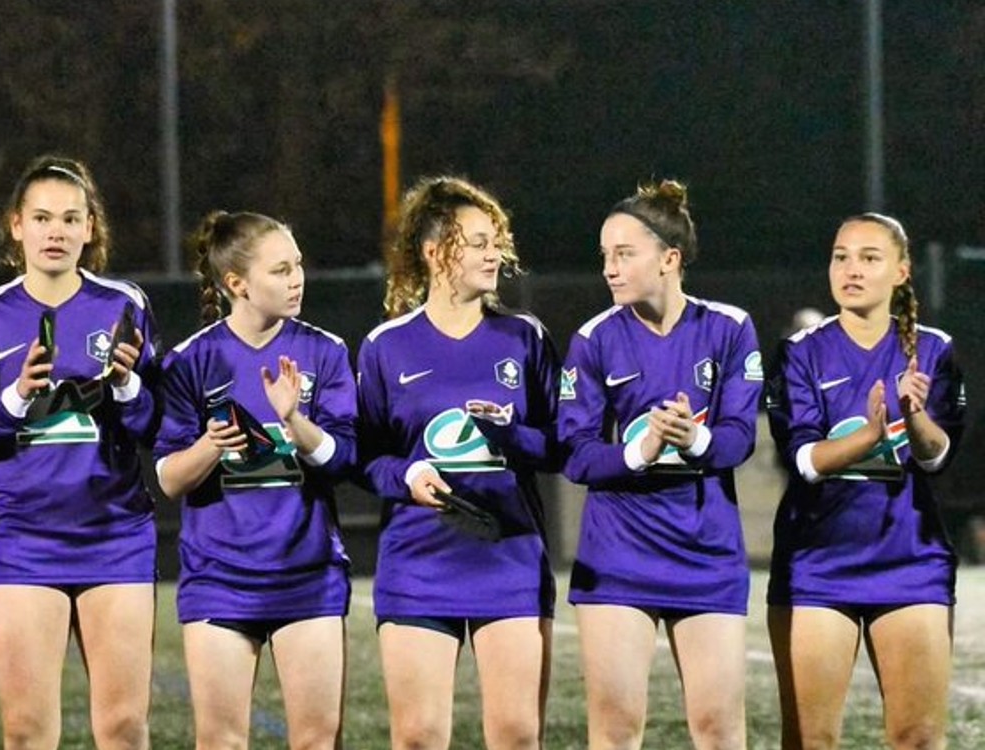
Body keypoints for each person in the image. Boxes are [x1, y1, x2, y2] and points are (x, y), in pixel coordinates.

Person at [0, 156, 158, 750]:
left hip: (115, 530)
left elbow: (155, 425)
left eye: (69, 218)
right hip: (23, 536)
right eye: (41, 217)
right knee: (28, 731)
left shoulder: (125, 305)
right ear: (16, 226)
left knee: (124, 727)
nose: (55, 231)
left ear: (90, 228)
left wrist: (126, 386)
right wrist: (13, 399)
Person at [558, 180, 762, 750]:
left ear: (669, 259)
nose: (609, 269)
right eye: (604, 256)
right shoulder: (594, 339)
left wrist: (694, 439)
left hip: (706, 551)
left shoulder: (728, 328)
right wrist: (637, 451)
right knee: (617, 729)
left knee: (719, 729)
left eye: (624, 254)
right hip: (618, 555)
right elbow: (575, 453)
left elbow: (739, 438)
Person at [357, 176, 559, 750]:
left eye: (496, 239)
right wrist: (407, 477)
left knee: (518, 735)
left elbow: (560, 448)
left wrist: (509, 432)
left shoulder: (525, 338)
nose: (494, 251)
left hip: (510, 555)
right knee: (419, 737)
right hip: (419, 561)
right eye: (476, 241)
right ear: (433, 250)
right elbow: (366, 456)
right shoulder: (385, 346)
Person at [154, 211, 357, 750]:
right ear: (236, 285)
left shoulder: (326, 352)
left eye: (298, 266)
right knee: (220, 740)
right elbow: (169, 479)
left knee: (317, 740)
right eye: (281, 270)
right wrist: (211, 445)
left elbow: (345, 462)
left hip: (307, 574)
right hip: (219, 576)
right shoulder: (190, 361)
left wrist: (295, 422)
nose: (297, 280)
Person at [766, 213, 965, 750]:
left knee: (919, 737)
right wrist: (871, 435)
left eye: (869, 258)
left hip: (910, 558)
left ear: (901, 271)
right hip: (817, 561)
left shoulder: (936, 348)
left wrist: (914, 416)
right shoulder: (800, 351)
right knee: (810, 740)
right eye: (840, 256)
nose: (851, 269)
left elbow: (938, 456)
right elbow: (803, 458)